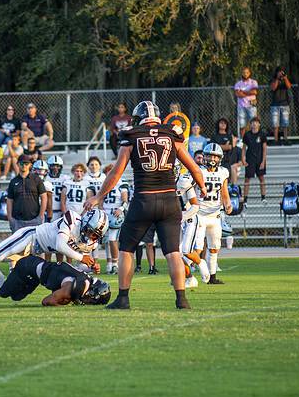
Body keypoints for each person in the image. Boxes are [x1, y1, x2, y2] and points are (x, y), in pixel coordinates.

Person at [83, 100, 207, 310]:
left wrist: (99, 196)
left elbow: (117, 171)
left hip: (144, 200)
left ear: (138, 118)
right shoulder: (172, 134)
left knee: (126, 249)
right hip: (169, 200)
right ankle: (181, 299)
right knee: (173, 252)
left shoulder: (131, 135)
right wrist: (203, 187)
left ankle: (123, 298)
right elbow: (193, 166)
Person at [0, 209, 107, 277]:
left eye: (96, 235)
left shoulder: (91, 243)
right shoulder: (72, 218)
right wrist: (82, 258)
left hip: (32, 250)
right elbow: (60, 246)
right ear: (85, 222)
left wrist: (91, 267)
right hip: (30, 236)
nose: (92, 237)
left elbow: (82, 265)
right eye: (91, 231)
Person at [0, 255, 111, 306]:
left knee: (16, 297)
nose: (89, 303)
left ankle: (13, 270)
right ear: (92, 293)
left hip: (36, 274)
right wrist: (63, 305)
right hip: (28, 268)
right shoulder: (74, 288)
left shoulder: (83, 281)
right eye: (92, 301)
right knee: (1, 292)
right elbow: (46, 301)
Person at [188, 144, 232, 284]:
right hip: (199, 214)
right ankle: (186, 273)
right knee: (197, 248)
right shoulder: (197, 171)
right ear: (204, 156)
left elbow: (224, 192)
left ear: (219, 158)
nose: (212, 158)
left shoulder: (223, 172)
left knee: (214, 248)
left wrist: (228, 204)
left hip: (215, 215)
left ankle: (212, 277)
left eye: (215, 156)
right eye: (209, 155)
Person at [7, 155, 47, 232]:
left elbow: (44, 197)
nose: (24, 165)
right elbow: (9, 200)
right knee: (17, 244)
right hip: (17, 221)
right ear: (17, 164)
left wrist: (41, 216)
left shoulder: (36, 179)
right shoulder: (13, 181)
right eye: (21, 163)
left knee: (35, 244)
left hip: (34, 219)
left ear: (30, 165)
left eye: (26, 163)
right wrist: (10, 218)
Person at [241, 117, 268, 205]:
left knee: (261, 178)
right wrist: (243, 158)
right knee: (247, 179)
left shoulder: (262, 134)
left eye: (256, 122)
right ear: (250, 124)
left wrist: (263, 161)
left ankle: (263, 197)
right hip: (250, 159)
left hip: (259, 159)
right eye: (252, 122)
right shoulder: (247, 135)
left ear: (259, 124)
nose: (254, 124)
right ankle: (245, 199)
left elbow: (264, 149)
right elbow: (244, 148)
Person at [210, 118, 238, 183]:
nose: (223, 124)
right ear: (218, 124)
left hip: (227, 160)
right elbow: (213, 147)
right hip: (216, 160)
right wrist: (225, 146)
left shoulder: (229, 136)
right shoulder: (214, 136)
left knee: (227, 179)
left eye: (225, 123)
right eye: (221, 123)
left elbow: (231, 147)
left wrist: (221, 146)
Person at [269, 66, 292, 145]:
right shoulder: (273, 80)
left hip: (285, 104)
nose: (280, 73)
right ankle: (276, 140)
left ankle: (285, 139)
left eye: (281, 72)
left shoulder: (285, 79)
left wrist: (285, 78)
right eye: (279, 72)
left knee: (285, 123)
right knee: (275, 123)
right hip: (275, 105)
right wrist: (277, 79)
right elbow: (273, 88)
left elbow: (289, 86)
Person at [234, 67, 259, 137]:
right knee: (242, 124)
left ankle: (254, 138)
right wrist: (249, 92)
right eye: (244, 72)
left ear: (249, 73)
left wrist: (243, 91)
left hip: (252, 106)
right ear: (242, 73)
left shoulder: (253, 82)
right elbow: (238, 94)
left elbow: (255, 92)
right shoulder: (238, 83)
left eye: (247, 72)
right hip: (241, 106)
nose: (245, 74)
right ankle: (242, 140)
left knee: (254, 123)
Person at [47, 155, 69, 222]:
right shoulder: (45, 178)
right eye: (53, 166)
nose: (55, 168)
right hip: (47, 211)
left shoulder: (65, 178)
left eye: (58, 166)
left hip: (60, 211)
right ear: (49, 166)